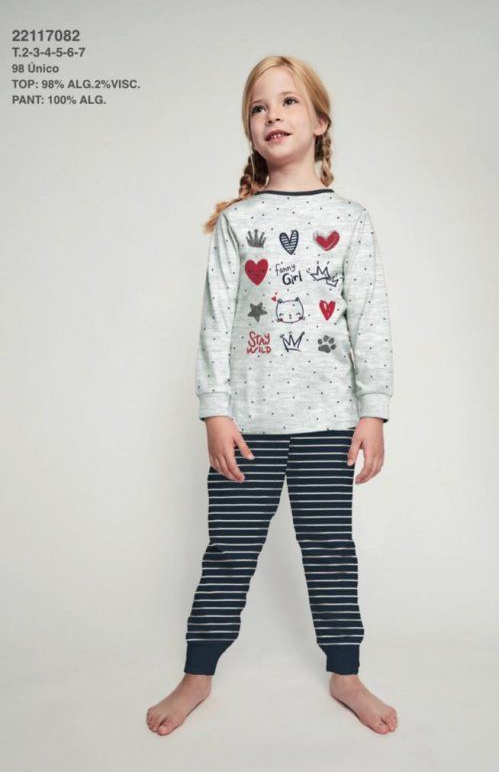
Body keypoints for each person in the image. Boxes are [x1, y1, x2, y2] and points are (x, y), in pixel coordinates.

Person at [147, 54, 398, 736]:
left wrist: (373, 411)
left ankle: (345, 674)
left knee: (330, 553)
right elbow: (215, 322)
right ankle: (197, 674)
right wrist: (215, 411)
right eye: (258, 107)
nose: (271, 115)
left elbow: (369, 319)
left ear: (319, 122)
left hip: (328, 424)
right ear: (250, 129)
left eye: (287, 102)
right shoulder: (238, 222)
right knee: (228, 553)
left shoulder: (350, 220)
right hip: (248, 427)